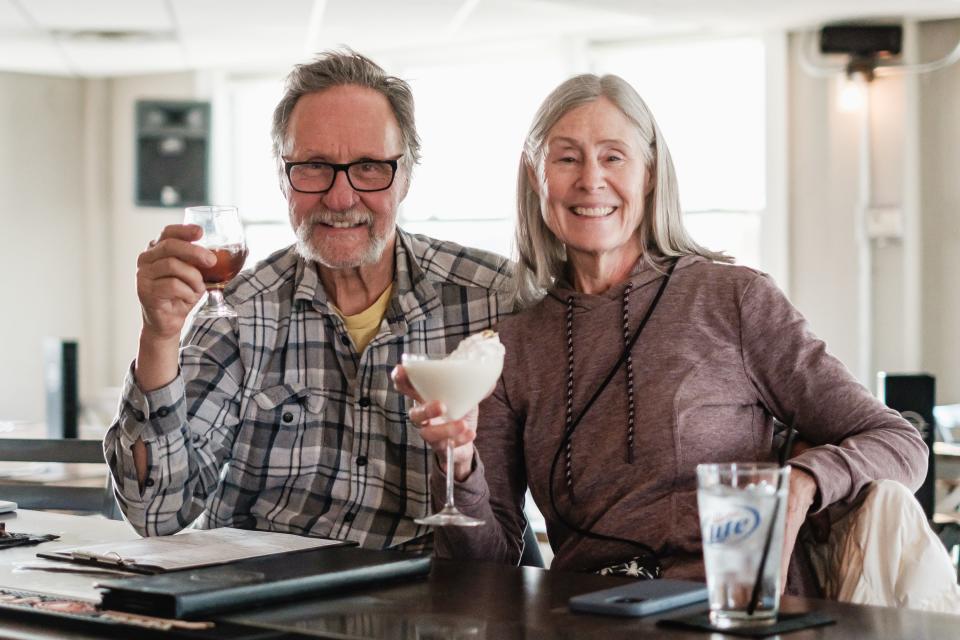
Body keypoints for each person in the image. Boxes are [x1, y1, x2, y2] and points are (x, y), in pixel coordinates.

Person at [393, 73, 928, 591]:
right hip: (588, 619)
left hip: (729, 612)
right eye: (566, 158)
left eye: (613, 156)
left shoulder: (734, 300)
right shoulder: (515, 343)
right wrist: (458, 467)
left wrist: (803, 484)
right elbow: (489, 561)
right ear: (537, 178)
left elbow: (901, 442)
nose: (590, 180)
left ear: (650, 175)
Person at [104, 51, 513, 551]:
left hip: (412, 608)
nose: (340, 199)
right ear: (282, 177)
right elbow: (156, 512)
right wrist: (159, 335)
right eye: (315, 166)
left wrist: (458, 461)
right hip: (255, 601)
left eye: (368, 167)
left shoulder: (492, 302)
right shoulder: (239, 310)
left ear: (406, 176)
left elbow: (496, 553)